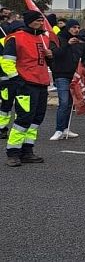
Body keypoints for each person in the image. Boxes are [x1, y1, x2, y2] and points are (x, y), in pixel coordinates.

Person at [2, 11, 55, 166]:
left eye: (42, 20)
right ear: (30, 21)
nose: (41, 23)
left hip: (41, 83)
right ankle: (12, 153)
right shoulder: (15, 38)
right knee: (23, 119)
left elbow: (46, 62)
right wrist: (17, 80)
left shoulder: (43, 38)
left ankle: (27, 151)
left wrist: (50, 56)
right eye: (39, 20)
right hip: (26, 84)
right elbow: (7, 62)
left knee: (36, 120)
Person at [49, 19, 85, 140]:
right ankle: (59, 129)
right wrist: (68, 44)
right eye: (74, 27)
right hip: (61, 74)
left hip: (74, 75)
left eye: (78, 27)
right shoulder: (58, 38)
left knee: (70, 103)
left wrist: (84, 66)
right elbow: (56, 53)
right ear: (68, 28)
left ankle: (66, 128)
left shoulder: (79, 41)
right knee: (64, 102)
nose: (76, 30)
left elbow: (84, 57)